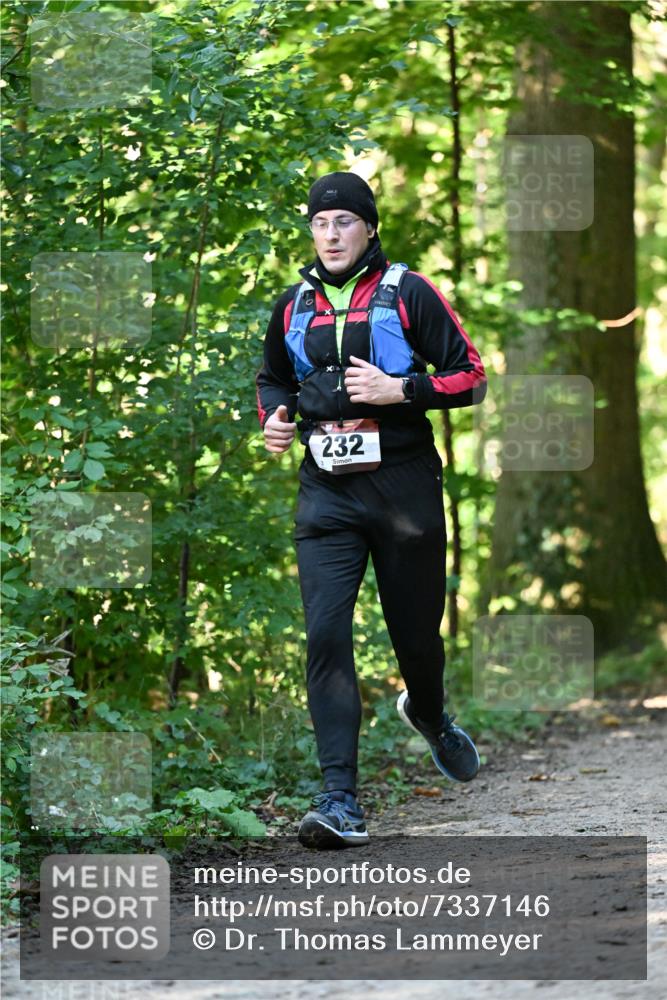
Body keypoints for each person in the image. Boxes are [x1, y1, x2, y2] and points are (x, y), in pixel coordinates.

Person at [255, 171, 487, 849]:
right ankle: (338, 799)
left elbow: (469, 377)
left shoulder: (407, 292)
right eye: (320, 223)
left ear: (369, 228)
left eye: (344, 222)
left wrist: (400, 389)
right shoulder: (292, 304)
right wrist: (274, 418)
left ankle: (430, 711)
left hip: (404, 484)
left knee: (415, 638)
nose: (330, 235)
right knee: (325, 636)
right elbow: (274, 378)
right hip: (326, 490)